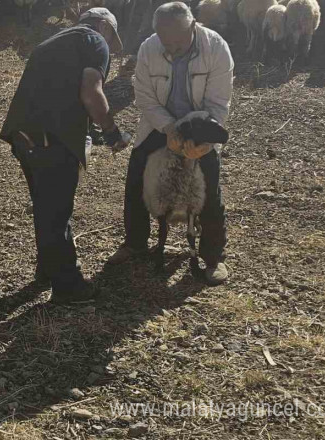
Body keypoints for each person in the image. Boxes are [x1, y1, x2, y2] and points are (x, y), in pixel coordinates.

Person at [0, 8, 131, 304]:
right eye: (112, 37)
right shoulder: (94, 41)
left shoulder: (54, 40)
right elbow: (91, 93)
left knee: (46, 206)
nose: (110, 47)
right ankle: (68, 287)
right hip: (50, 139)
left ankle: (48, 268)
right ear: (102, 26)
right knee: (57, 211)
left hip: (24, 136)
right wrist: (112, 132)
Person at [107, 2, 234, 285]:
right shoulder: (149, 48)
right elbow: (144, 97)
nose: (173, 48)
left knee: (209, 185)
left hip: (201, 121)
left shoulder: (216, 47)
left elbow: (219, 101)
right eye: (167, 42)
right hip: (160, 122)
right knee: (137, 176)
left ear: (193, 26)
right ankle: (135, 242)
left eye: (179, 42)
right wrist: (168, 129)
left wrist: (202, 143)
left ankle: (213, 256)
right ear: (157, 34)